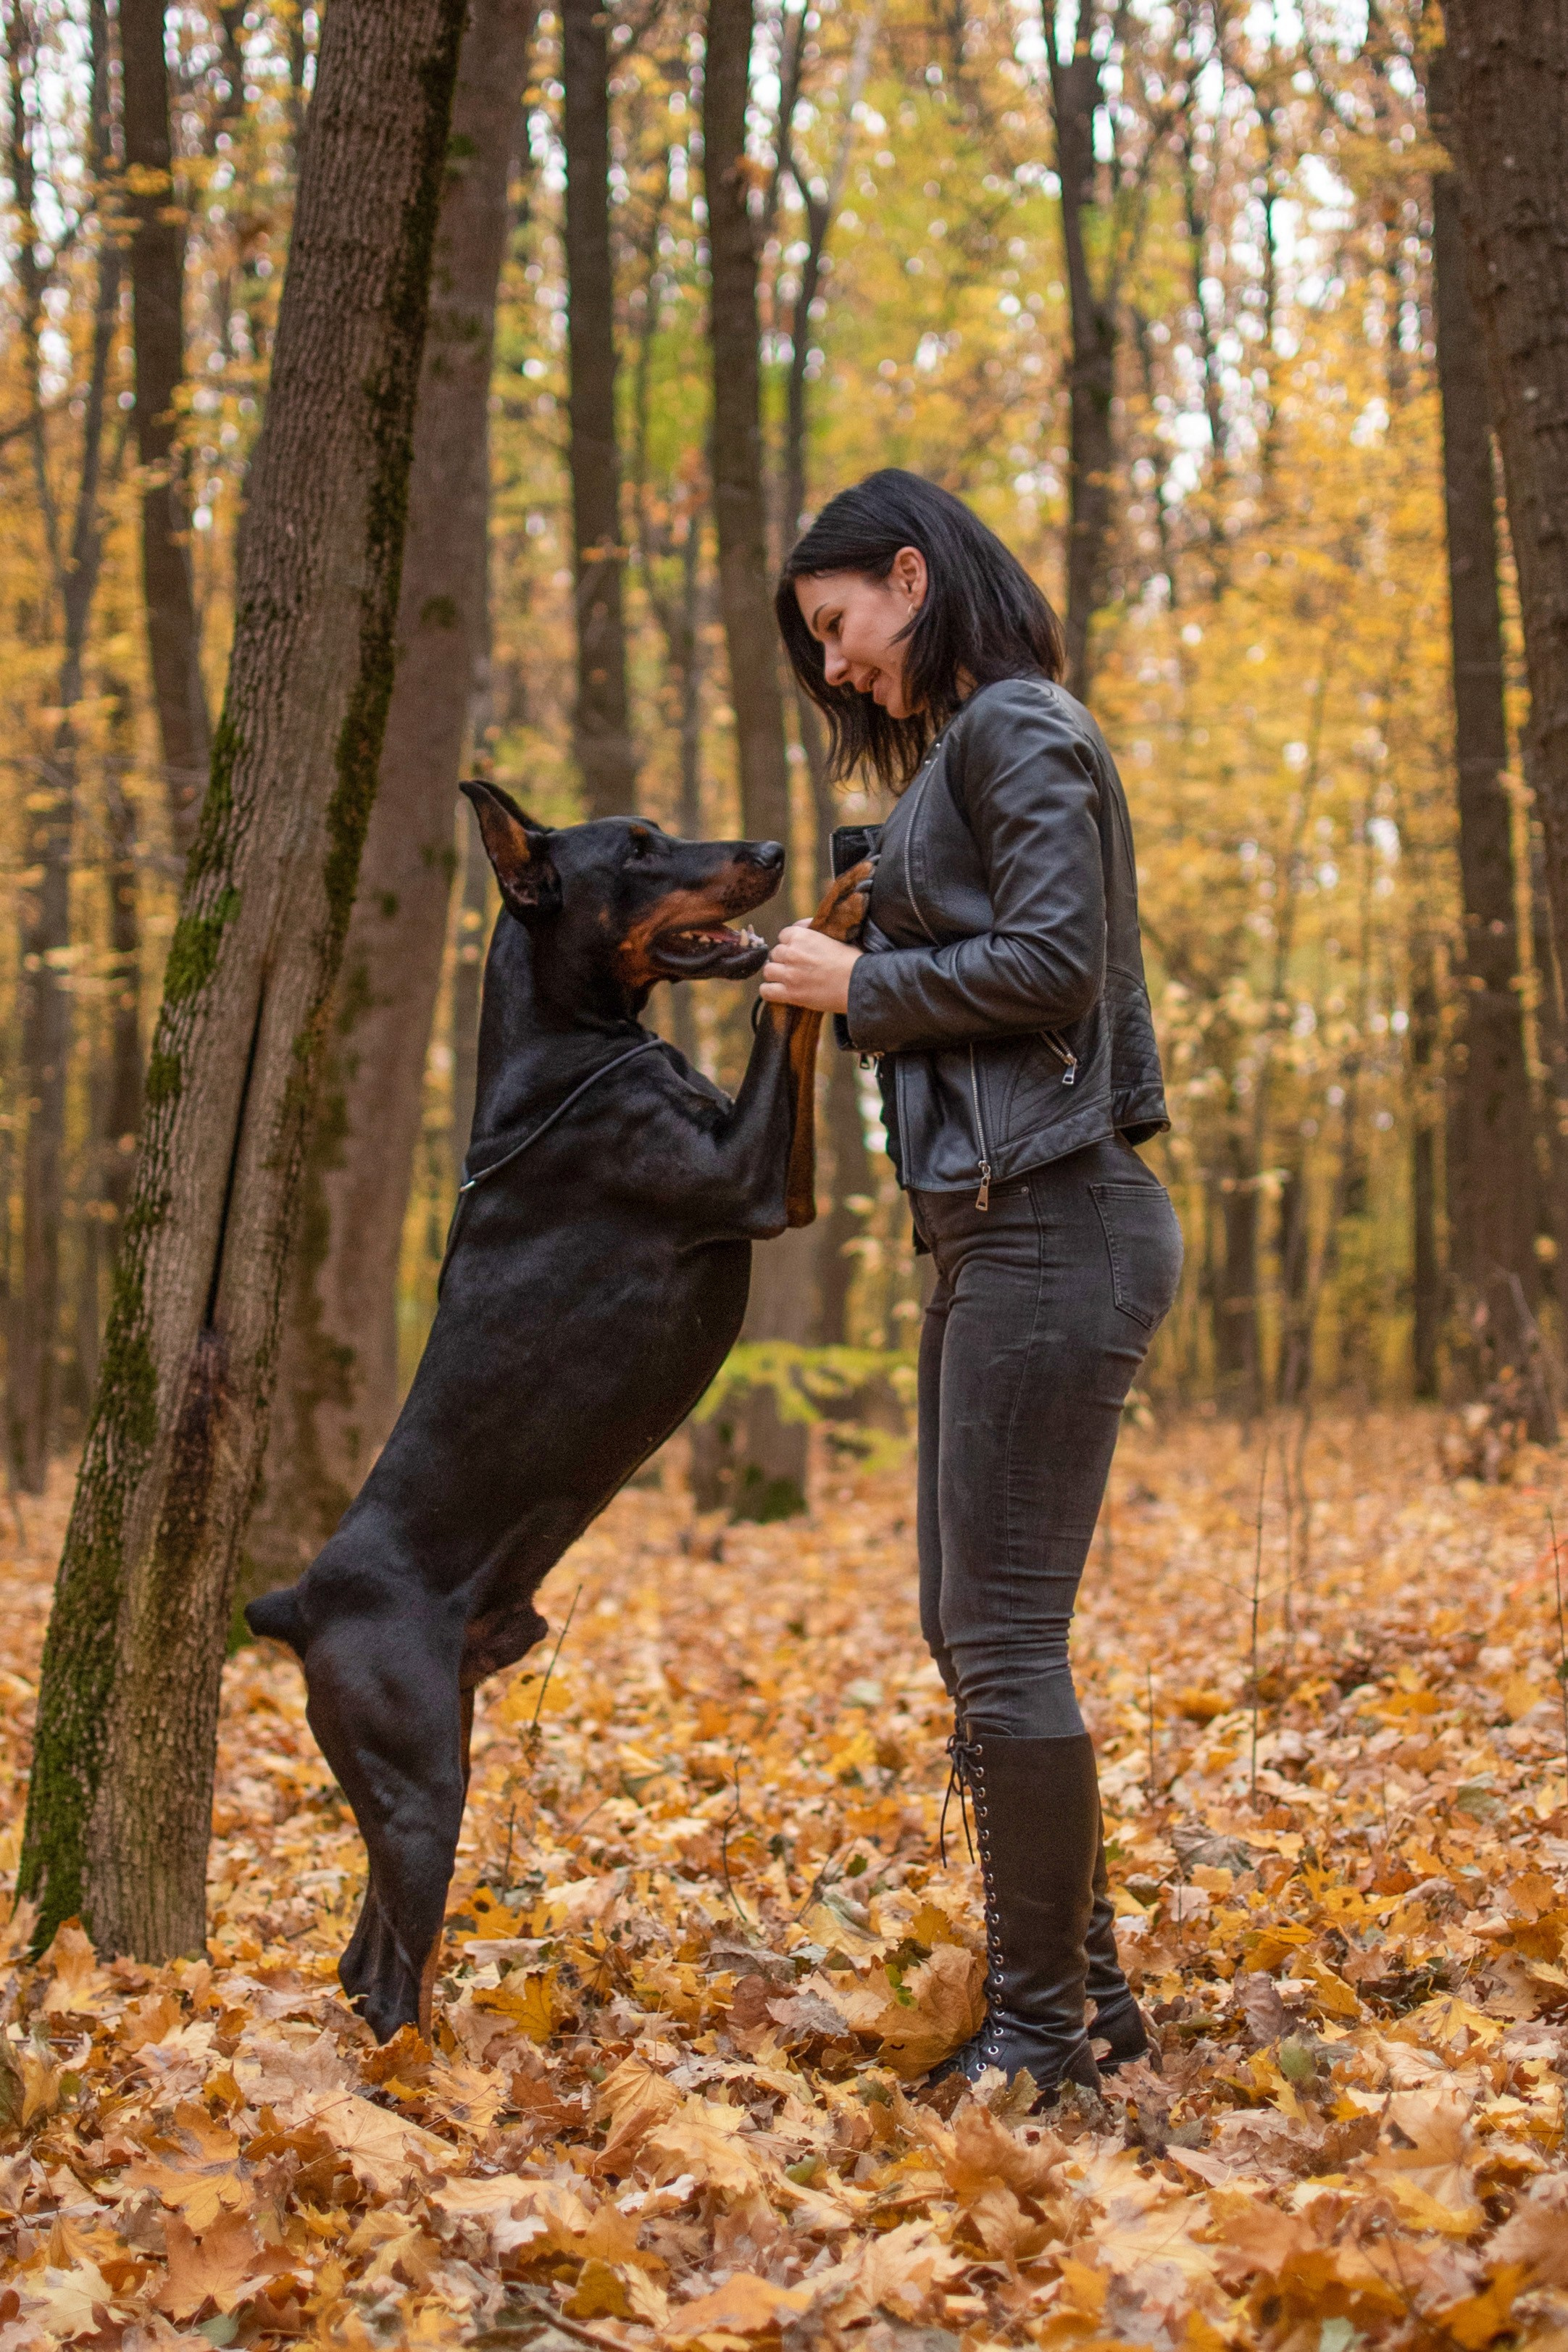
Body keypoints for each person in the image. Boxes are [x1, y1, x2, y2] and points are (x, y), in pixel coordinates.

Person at [761, 470, 1183, 2105]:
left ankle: (1039, 2042)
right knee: (969, 1627)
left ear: (911, 578)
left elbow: (1056, 967)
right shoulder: (965, 753)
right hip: (989, 1229)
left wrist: (862, 982)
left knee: (1002, 1638)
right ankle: (1085, 1999)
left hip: (1058, 1218)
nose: (834, 665)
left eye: (838, 625)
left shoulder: (1020, 729)